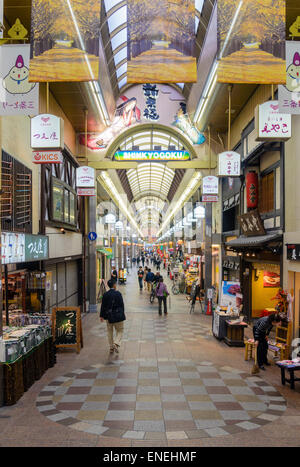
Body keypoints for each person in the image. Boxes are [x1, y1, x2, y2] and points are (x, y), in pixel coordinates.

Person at [100, 279, 126, 354]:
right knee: (120, 330)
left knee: (109, 331)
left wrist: (101, 316)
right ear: (114, 285)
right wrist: (122, 313)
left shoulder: (105, 294)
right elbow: (122, 305)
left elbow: (103, 306)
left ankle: (111, 347)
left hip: (109, 316)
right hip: (118, 316)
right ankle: (116, 343)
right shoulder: (118, 294)